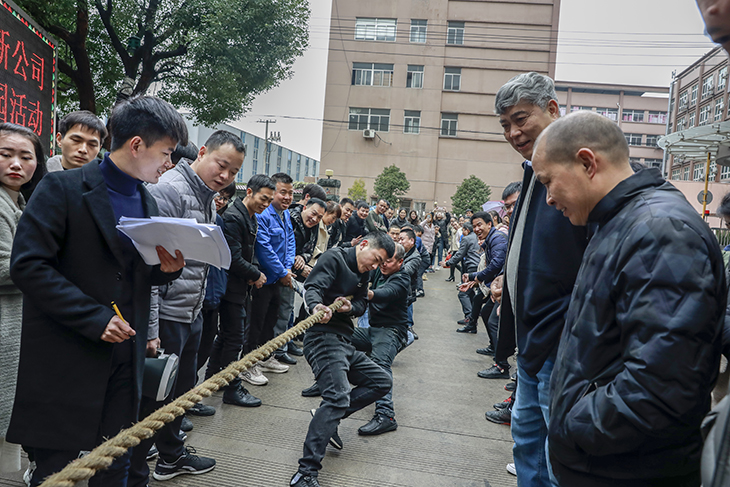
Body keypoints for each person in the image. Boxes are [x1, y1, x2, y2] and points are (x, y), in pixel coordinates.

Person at [533, 110, 725, 486]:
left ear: (587, 162)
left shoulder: (660, 232)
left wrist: (574, 424)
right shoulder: (620, 222)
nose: (548, 199)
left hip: (623, 471)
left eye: (548, 181)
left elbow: (659, 389)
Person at [8, 96, 187, 487]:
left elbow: (130, 274)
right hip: (66, 352)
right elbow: (28, 265)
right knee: (57, 468)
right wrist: (94, 318)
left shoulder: (147, 199)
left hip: (125, 353)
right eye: (166, 153)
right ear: (136, 145)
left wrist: (163, 272)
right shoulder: (62, 187)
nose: (168, 164)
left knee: (115, 459)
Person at [489, 72, 588, 487]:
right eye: (505, 125)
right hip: (531, 343)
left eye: (520, 118)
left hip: (558, 343)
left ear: (552, 110)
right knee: (526, 442)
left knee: (556, 452)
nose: (513, 132)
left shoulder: (579, 177)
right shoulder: (533, 172)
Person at [130, 129, 245, 484]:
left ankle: (170, 456)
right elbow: (148, 267)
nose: (224, 176)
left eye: (233, 172)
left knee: (179, 394)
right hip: (166, 316)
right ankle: (134, 473)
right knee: (152, 400)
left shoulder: (208, 197)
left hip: (191, 311)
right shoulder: (170, 191)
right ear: (203, 152)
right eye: (221, 165)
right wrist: (150, 331)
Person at [290, 231, 395, 487]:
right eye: (376, 259)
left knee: (381, 382)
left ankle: (329, 419)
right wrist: (316, 307)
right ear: (363, 244)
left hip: (343, 340)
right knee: (337, 396)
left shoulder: (364, 272)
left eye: (380, 264)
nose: (375, 266)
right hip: (322, 337)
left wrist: (350, 308)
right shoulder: (333, 258)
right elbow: (312, 288)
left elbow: (361, 302)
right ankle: (306, 473)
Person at [205, 174, 275, 407]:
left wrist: (254, 271)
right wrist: (255, 274)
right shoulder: (234, 217)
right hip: (229, 287)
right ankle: (231, 388)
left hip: (238, 287)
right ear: (249, 192)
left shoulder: (251, 217)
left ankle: (213, 381)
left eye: (269, 200)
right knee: (235, 338)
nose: (266, 204)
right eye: (263, 198)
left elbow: (249, 253)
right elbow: (232, 258)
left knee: (227, 336)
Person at [0, 124, 44, 474]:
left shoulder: (18, 199)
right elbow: (4, 267)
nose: (16, 163)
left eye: (25, 156)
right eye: (6, 154)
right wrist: (46, 264)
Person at [243, 173, 296, 386]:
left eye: (290, 193)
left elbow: (290, 240)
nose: (287, 197)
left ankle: (265, 357)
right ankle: (248, 364)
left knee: (271, 322)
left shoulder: (286, 214)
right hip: (262, 279)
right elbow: (264, 248)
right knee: (255, 324)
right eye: (282, 192)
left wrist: (288, 268)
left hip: (279, 278)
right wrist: (282, 272)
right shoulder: (264, 214)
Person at [352, 244, 409, 436]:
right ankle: (328, 379)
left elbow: (386, 293)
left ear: (400, 262)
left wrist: (365, 294)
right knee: (339, 335)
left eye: (389, 261)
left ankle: (386, 415)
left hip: (392, 332)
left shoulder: (402, 278)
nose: (383, 264)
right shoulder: (377, 271)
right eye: (382, 260)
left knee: (380, 365)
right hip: (373, 330)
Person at [442, 222, 479, 327]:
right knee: (472, 292)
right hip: (479, 267)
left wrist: (448, 263)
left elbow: (459, 254)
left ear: (467, 230)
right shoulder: (478, 238)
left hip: (471, 267)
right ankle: (474, 314)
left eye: (463, 230)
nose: (462, 232)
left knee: (463, 292)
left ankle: (469, 317)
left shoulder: (466, 239)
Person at [398, 227, 421, 340]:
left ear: (411, 241)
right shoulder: (402, 252)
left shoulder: (415, 257)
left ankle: (408, 329)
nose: (400, 241)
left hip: (407, 290)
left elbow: (406, 271)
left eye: (402, 239)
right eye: (399, 239)